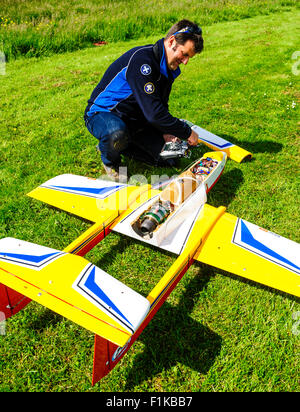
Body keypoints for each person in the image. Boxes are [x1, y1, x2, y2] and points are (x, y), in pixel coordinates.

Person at [84, 19, 203, 180]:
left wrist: (166, 132)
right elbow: (154, 114)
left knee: (172, 156)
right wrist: (186, 131)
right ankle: (111, 161)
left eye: (189, 57)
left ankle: (117, 145)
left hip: (136, 122)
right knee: (116, 133)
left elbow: (160, 104)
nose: (186, 61)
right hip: (103, 114)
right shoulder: (143, 61)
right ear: (171, 41)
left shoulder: (169, 68)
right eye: (184, 54)